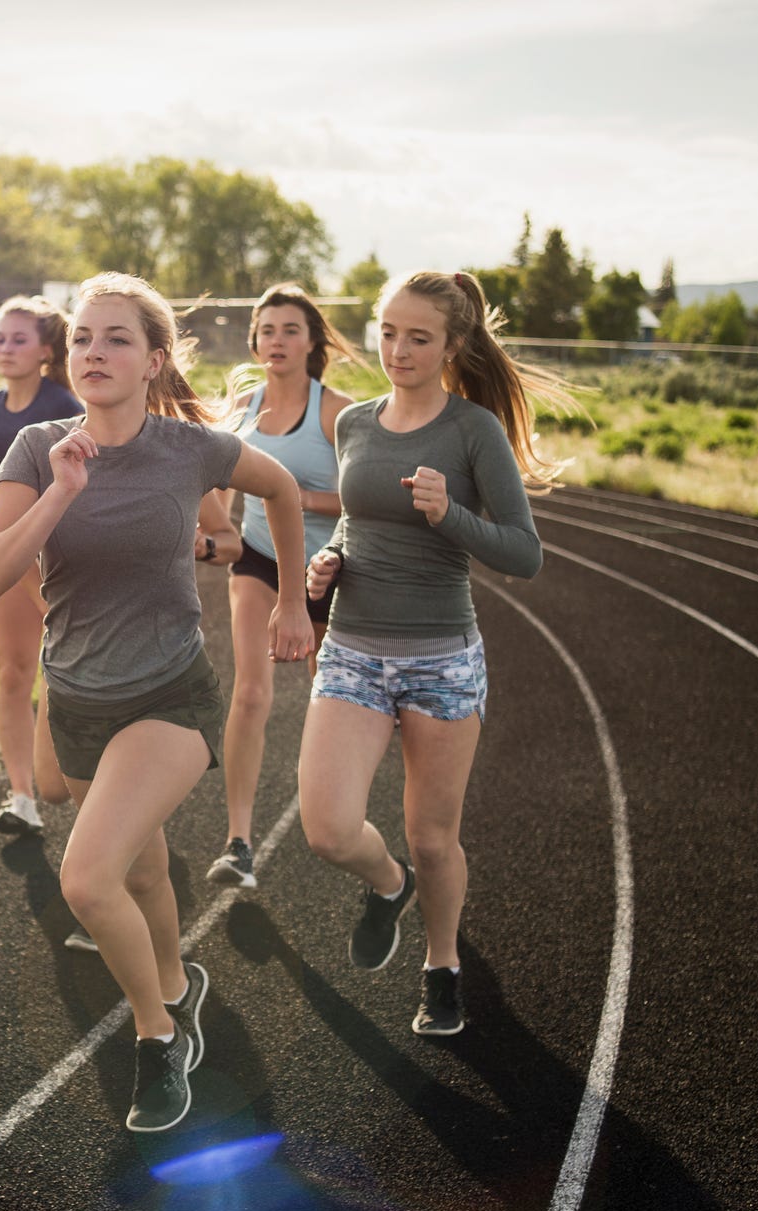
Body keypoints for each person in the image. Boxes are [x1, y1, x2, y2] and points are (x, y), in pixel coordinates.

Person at [0, 272, 314, 1133]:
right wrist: (60, 490)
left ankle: (159, 1038)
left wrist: (289, 599)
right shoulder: (36, 448)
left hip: (168, 697)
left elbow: (277, 490)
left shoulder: (188, 448)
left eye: (117, 338)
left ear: (154, 360)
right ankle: (175, 979)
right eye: (84, 337)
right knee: (141, 867)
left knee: (87, 878)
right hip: (79, 695)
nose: (95, 352)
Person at [298, 270, 568, 1038]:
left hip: (440, 660)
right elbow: (358, 523)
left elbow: (525, 554)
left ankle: (441, 963)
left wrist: (451, 515)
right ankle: (388, 885)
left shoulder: (472, 431)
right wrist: (332, 562)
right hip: (351, 647)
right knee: (325, 828)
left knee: (432, 835)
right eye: (387, 331)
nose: (397, 348)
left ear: (453, 344)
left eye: (418, 336)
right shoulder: (354, 425)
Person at [203, 284, 358, 891]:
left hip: (334, 568)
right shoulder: (242, 407)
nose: (277, 340)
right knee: (250, 693)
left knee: (333, 700)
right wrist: (210, 532)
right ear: (254, 342)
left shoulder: (336, 413)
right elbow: (218, 486)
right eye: (266, 330)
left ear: (312, 341)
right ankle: (239, 842)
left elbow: (363, 497)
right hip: (262, 562)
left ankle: (337, 821)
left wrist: (290, 493)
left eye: (290, 329)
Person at [0, 297, 81, 840]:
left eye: (18, 340)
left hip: (66, 554)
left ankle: (94, 797)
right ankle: (22, 796)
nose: (4, 349)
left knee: (73, 674)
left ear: (46, 352)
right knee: (14, 673)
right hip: (10, 556)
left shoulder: (67, 404)